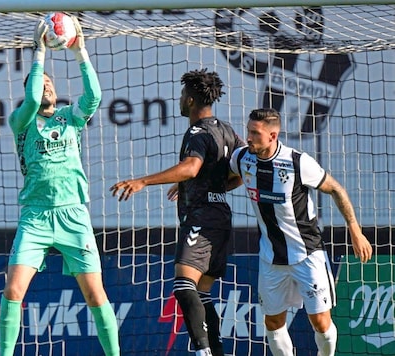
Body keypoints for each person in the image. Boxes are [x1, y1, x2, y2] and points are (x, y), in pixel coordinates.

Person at [0, 16, 120, 356]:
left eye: (51, 83)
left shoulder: (69, 117)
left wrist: (80, 52)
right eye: (42, 83)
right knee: (13, 291)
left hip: (72, 215)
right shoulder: (21, 121)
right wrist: (39, 53)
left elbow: (94, 96)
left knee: (96, 295)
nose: (47, 86)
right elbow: (33, 98)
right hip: (35, 217)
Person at [110, 68, 244, 356]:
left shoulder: (197, 131)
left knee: (184, 286)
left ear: (191, 100)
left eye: (184, 94)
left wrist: (142, 181)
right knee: (202, 292)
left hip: (202, 219)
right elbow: (243, 171)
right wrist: (203, 185)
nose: (181, 99)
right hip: (220, 217)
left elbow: (191, 167)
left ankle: (202, 352)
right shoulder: (227, 130)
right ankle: (215, 350)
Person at [229, 108, 373, 356]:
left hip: (307, 254)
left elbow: (336, 189)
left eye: (255, 133)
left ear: (273, 135)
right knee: (272, 323)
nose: (249, 137)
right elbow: (231, 177)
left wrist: (355, 229)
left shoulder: (298, 162)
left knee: (321, 323)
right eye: (248, 131)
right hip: (270, 257)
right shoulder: (242, 157)